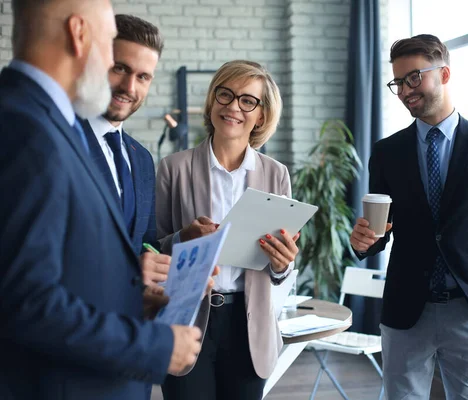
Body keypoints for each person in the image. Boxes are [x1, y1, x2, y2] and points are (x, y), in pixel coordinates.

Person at [0, 1, 201, 399]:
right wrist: (156, 347)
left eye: (143, 75)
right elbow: (26, 302)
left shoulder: (44, 124)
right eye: (111, 48)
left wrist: (142, 295)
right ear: (79, 33)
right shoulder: (29, 130)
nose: (127, 84)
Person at [350, 34, 468, 399]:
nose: (405, 90)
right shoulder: (387, 152)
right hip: (406, 309)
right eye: (398, 82)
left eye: (414, 77)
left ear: (445, 74)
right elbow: (379, 232)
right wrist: (363, 240)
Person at [156, 60, 298, 400]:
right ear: (212, 101)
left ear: (261, 115)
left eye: (248, 100)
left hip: (250, 327)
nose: (234, 106)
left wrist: (283, 264)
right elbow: (150, 249)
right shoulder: (173, 169)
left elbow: (282, 267)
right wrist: (181, 239)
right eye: (225, 95)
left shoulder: (277, 175)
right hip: (186, 321)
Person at [81, 14, 169, 286]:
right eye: (120, 68)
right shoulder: (61, 140)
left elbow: (145, 244)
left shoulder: (141, 159)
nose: (129, 87)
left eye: (143, 77)